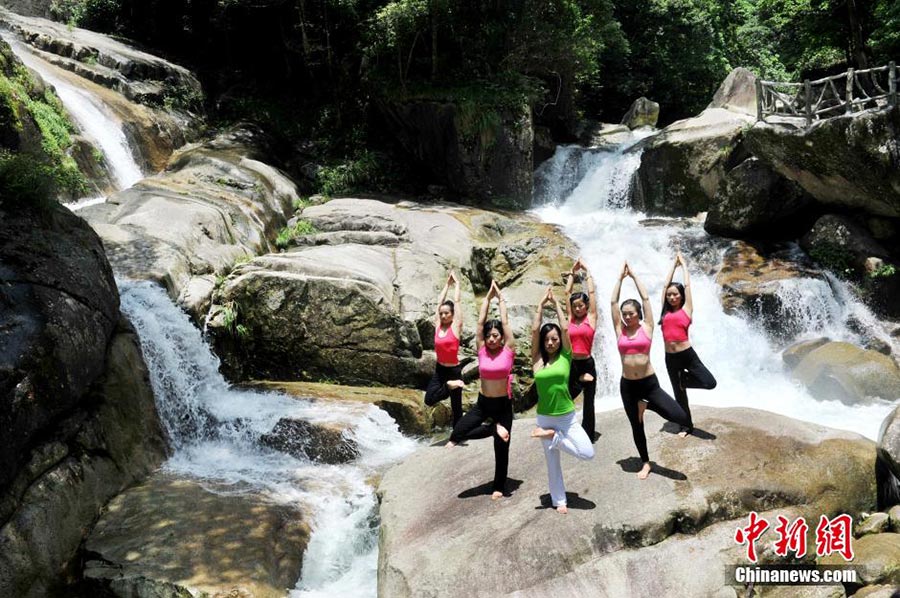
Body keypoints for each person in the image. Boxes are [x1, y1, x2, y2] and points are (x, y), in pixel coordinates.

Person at [611, 262, 691, 480]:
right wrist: (619, 278)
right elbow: (613, 302)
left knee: (679, 416)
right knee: (636, 426)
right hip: (628, 385)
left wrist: (634, 276)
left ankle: (646, 404)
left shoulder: (647, 327)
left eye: (631, 314)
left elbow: (646, 299)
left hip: (649, 383)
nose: (627, 317)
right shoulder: (620, 330)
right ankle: (645, 462)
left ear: (638, 314)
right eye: (624, 314)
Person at [447, 280, 515, 501]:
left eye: (496, 335)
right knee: (457, 433)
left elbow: (504, 321)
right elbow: (479, 323)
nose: (493, 338)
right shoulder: (482, 351)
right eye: (489, 336)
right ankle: (493, 428)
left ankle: (499, 485)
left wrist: (501, 300)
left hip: (503, 404)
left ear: (501, 337)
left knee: (502, 447)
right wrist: (487, 299)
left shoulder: (508, 350)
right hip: (483, 403)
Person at [531, 287, 594, 514]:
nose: (550, 343)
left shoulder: (566, 357)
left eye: (554, 339)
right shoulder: (537, 360)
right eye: (547, 340)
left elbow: (566, 327)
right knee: (552, 465)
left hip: (567, 417)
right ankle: (560, 501)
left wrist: (557, 304)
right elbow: (535, 331)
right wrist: (539, 306)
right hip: (545, 417)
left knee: (587, 453)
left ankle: (554, 438)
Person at [661, 252, 717, 437]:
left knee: (709, 382)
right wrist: (672, 266)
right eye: (669, 295)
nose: (671, 297)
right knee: (679, 395)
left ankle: (684, 380)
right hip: (670, 358)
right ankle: (686, 426)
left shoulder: (687, 309)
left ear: (681, 296)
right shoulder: (665, 312)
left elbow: (687, 285)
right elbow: (664, 286)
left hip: (687, 355)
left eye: (675, 294)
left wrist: (683, 265)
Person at [424, 271, 465, 426]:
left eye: (446, 313)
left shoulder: (456, 327)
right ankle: (448, 386)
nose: (443, 316)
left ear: (452, 315)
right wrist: (447, 285)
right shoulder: (438, 326)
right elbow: (439, 302)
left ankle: (457, 436)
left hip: (454, 371)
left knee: (457, 409)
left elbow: (458, 301)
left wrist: (458, 285)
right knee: (429, 399)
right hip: (440, 371)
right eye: (441, 313)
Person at [565, 258, 599, 441]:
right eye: (574, 306)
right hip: (572, 364)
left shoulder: (591, 318)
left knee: (589, 402)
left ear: (586, 306)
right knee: (566, 397)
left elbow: (591, 293)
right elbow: (566, 292)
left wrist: (588, 273)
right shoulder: (570, 319)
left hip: (587, 363)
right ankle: (566, 428)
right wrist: (572, 272)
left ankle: (588, 434)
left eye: (581, 305)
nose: (578, 308)